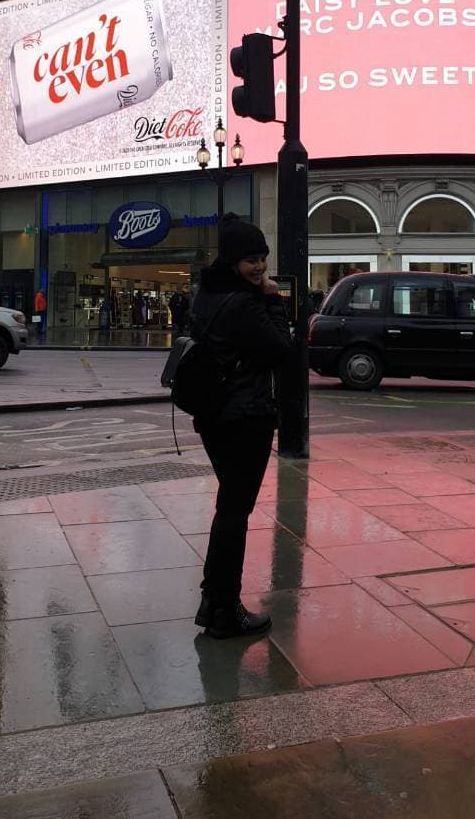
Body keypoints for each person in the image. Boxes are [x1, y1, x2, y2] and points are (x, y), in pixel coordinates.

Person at [191, 213, 292, 639]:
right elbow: (282, 350)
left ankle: (213, 600)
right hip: (245, 417)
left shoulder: (206, 294)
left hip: (213, 416)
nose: (260, 268)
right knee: (234, 512)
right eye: (252, 260)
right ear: (233, 260)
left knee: (228, 508)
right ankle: (223, 610)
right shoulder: (245, 303)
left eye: (263, 260)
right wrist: (274, 299)